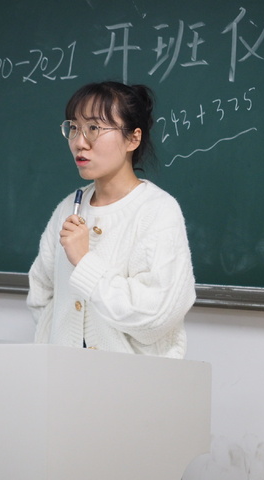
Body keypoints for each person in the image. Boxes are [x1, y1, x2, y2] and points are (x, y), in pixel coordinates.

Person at [26, 81, 195, 358]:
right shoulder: (68, 207)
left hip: (135, 380)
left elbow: (154, 316)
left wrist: (84, 261)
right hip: (64, 375)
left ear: (133, 139)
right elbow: (40, 293)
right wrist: (59, 349)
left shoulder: (157, 211)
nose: (80, 142)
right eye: (74, 128)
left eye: (94, 128)